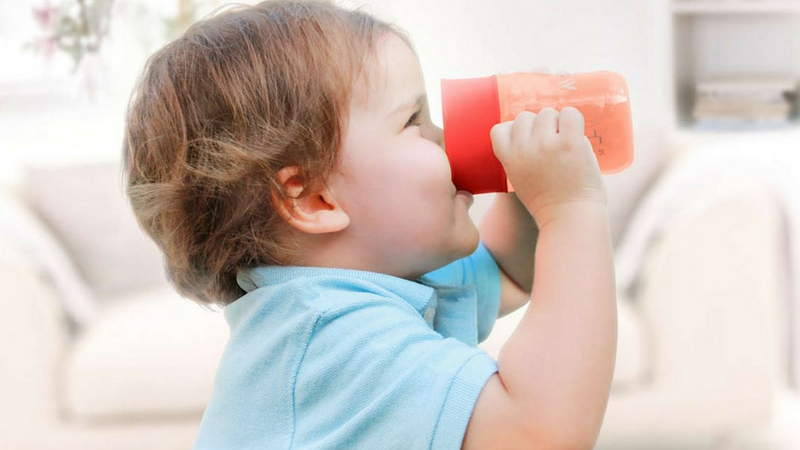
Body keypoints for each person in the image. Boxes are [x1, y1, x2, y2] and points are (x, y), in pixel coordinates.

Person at [122, 1, 617, 449]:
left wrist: (529, 188)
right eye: (414, 122)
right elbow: (541, 434)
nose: (445, 138)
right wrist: (570, 208)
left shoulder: (376, 282)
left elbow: (510, 274)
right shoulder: (331, 340)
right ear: (314, 199)